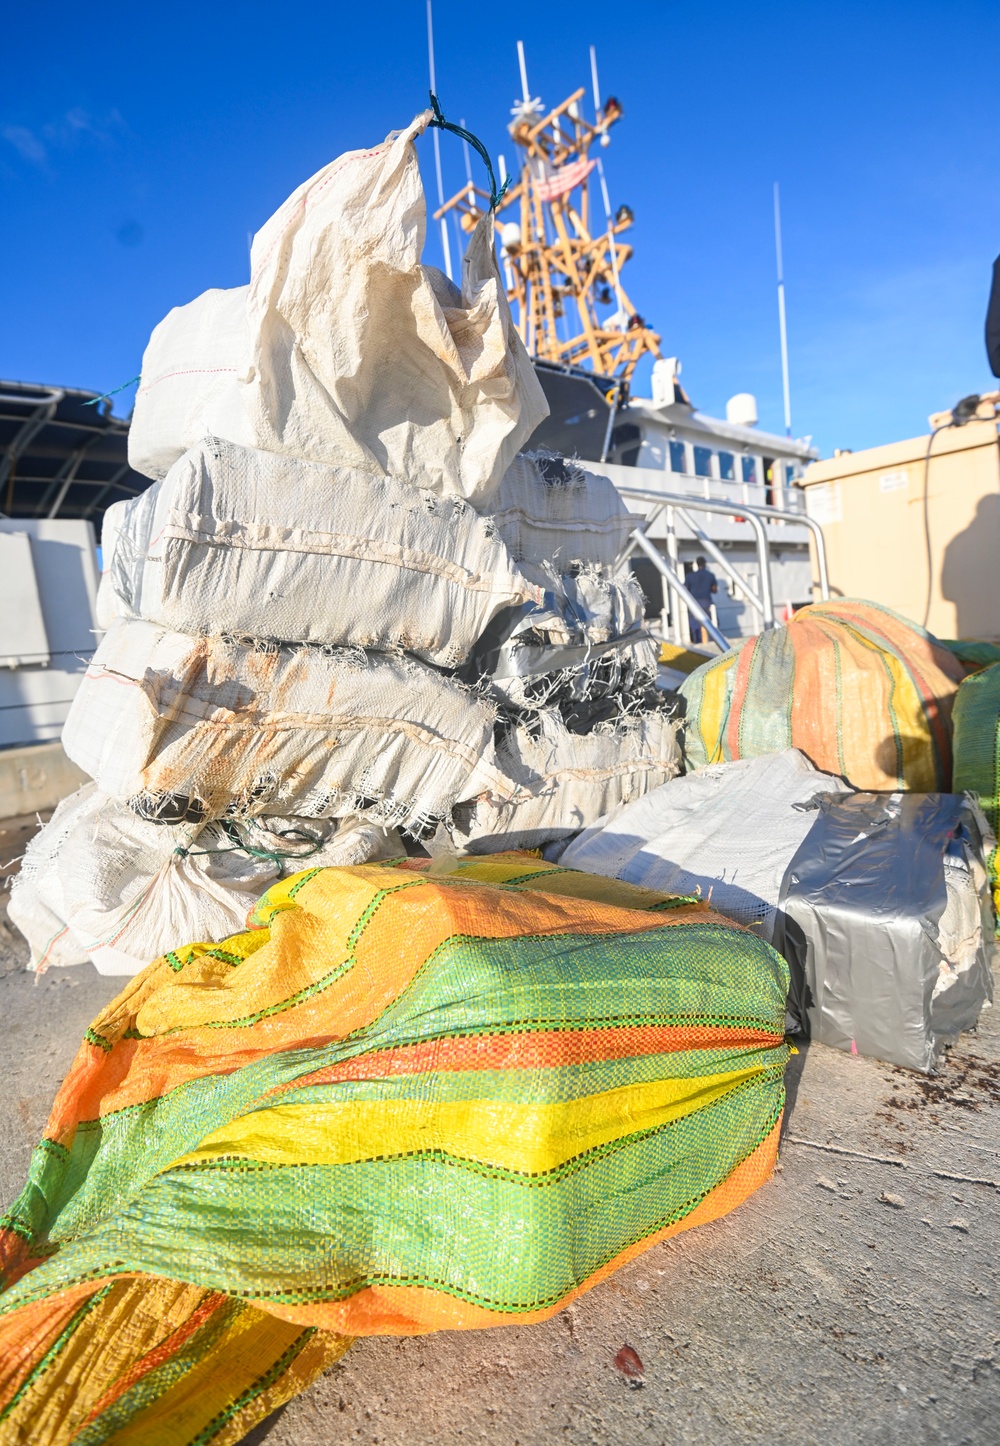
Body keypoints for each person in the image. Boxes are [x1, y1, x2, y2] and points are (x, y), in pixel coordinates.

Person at [685, 555, 718, 644]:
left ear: (697, 564)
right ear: (705, 564)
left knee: (694, 622)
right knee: (708, 622)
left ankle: (697, 641)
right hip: (706, 601)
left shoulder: (690, 576)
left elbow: (685, 589)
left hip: (694, 602)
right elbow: (714, 590)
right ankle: (709, 640)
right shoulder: (710, 575)